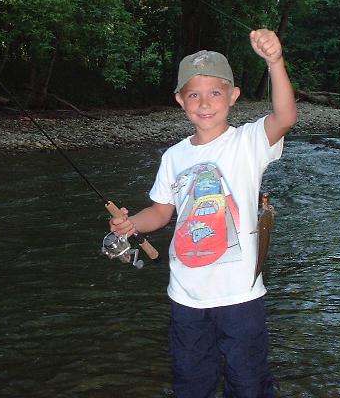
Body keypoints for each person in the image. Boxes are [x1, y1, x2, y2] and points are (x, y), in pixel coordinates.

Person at [110, 29, 297, 397]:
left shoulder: (248, 142)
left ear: (233, 96)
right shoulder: (173, 156)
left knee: (248, 384)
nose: (205, 102)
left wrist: (275, 62)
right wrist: (131, 224)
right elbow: (160, 212)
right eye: (194, 94)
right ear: (180, 100)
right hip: (186, 296)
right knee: (191, 383)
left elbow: (286, 116)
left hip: (241, 296)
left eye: (215, 92)